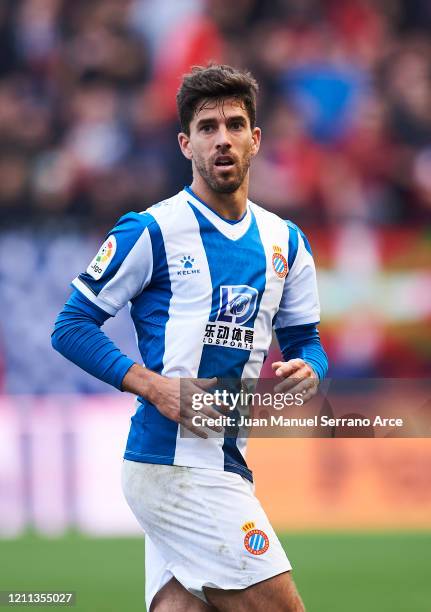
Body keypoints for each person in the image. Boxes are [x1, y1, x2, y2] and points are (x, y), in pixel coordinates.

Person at [52, 64, 328, 612]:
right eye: (206, 128)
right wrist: (153, 387)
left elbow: (307, 341)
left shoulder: (287, 243)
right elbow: (71, 326)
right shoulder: (150, 230)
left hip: (227, 463)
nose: (221, 139)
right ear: (186, 144)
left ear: (256, 139)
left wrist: (311, 368)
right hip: (172, 466)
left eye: (234, 124)